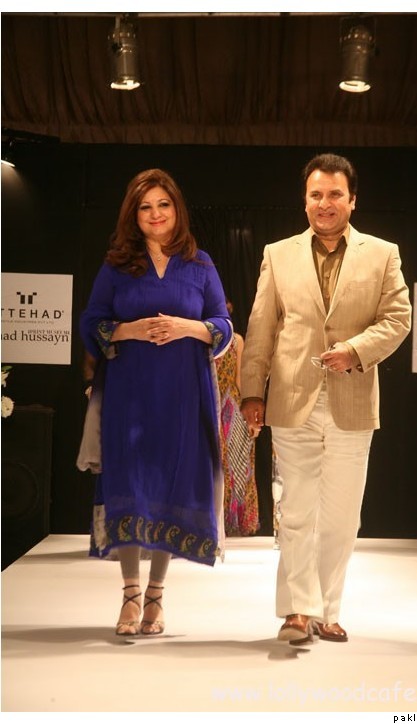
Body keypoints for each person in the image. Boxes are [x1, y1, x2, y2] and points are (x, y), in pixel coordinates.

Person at [240, 153, 411, 644]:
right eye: (316, 194)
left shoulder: (382, 253)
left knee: (341, 516)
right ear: (305, 200)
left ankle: (327, 610)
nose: (325, 203)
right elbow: (260, 328)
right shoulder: (278, 254)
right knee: (296, 510)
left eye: (335, 194)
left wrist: (355, 350)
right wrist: (252, 391)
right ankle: (298, 611)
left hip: (352, 399)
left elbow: (398, 319)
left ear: (352, 200)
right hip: (291, 397)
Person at [78, 168, 232, 636]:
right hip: (130, 393)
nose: (155, 214)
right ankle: (129, 594)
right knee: (129, 482)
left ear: (176, 209)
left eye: (163, 204)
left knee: (171, 486)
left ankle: (156, 597)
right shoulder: (117, 266)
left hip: (184, 395)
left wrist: (189, 328)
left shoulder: (200, 264)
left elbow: (223, 324)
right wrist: (128, 329)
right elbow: (91, 321)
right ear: (134, 215)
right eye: (145, 207)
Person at [215, 300, 259, 536]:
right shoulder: (217, 340)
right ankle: (222, 519)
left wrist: (246, 414)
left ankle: (230, 520)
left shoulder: (234, 340)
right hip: (220, 402)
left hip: (226, 403)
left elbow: (239, 379)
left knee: (234, 463)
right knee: (225, 463)